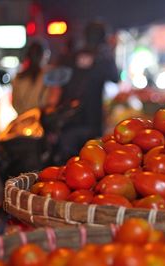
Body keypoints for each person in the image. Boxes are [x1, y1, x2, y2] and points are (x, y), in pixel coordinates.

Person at [53, 20, 119, 163]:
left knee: (68, 165)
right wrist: (111, 50)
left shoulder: (70, 57)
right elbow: (115, 77)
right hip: (92, 121)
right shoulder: (103, 59)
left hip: (69, 119)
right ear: (104, 38)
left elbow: (57, 85)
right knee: (90, 165)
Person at [11, 41, 51, 115]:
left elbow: (14, 103)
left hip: (24, 120)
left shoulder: (18, 77)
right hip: (41, 120)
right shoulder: (48, 75)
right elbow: (51, 102)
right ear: (43, 56)